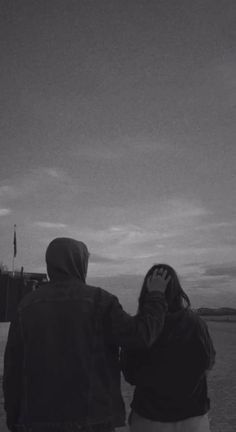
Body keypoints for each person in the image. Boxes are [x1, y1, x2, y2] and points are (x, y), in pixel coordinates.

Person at [3, 238, 171, 432]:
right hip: (93, 419)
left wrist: (14, 419)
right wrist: (157, 295)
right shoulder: (100, 301)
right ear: (80, 263)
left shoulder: (26, 306)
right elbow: (140, 336)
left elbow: (12, 372)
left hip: (37, 420)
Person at [121, 264, 216, 432]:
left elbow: (130, 374)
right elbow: (207, 364)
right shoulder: (196, 323)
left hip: (148, 418)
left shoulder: (141, 326)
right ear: (177, 290)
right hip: (193, 418)